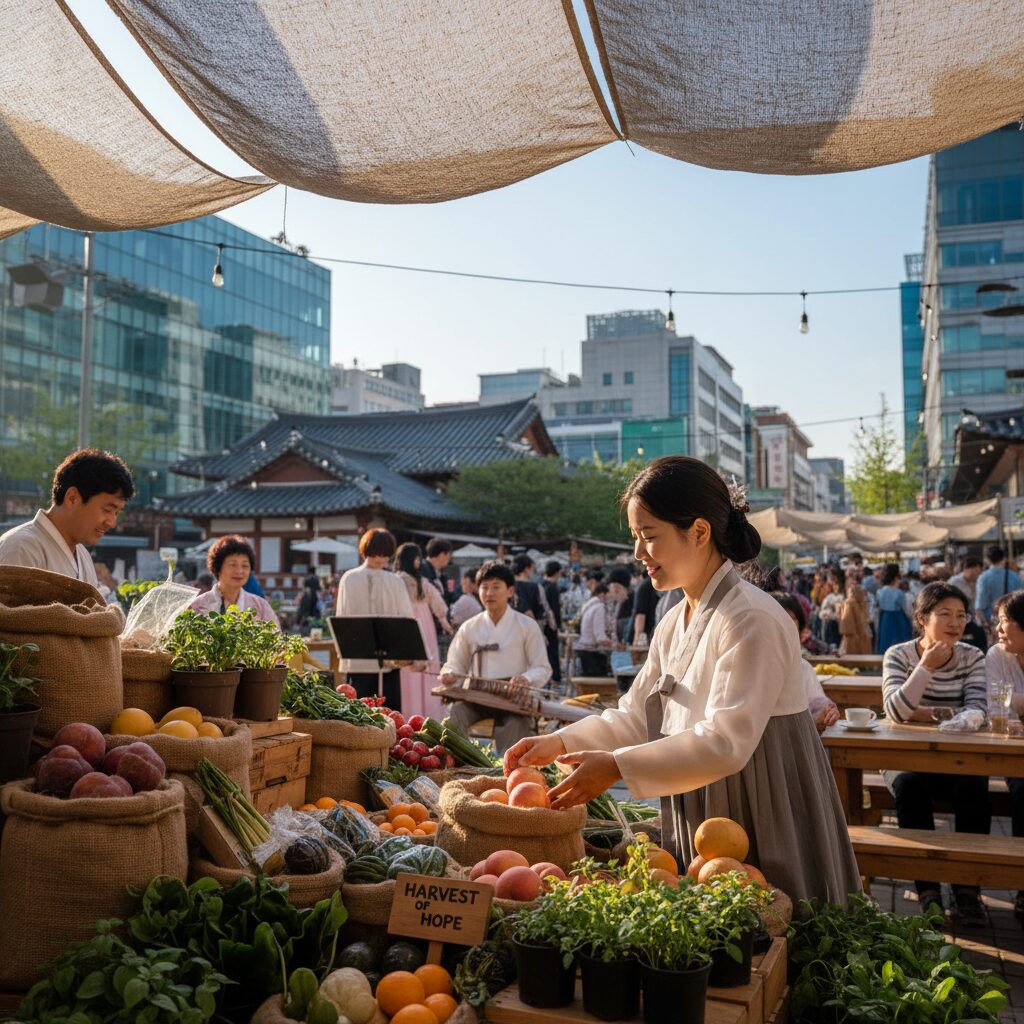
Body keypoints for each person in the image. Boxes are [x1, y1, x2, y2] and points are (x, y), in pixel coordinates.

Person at [505, 456, 861, 908]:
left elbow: (727, 742)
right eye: (636, 538)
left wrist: (617, 766)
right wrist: (557, 744)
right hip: (700, 800)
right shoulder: (676, 619)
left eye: (649, 537)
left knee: (779, 927)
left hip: (763, 799)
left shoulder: (751, 618)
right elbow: (637, 713)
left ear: (698, 531)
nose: (639, 554)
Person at [881, 582, 990, 924]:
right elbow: (896, 711)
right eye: (944, 614)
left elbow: (976, 710)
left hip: (956, 758)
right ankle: (927, 890)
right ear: (921, 619)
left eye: (961, 615)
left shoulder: (973, 657)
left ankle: (967, 890)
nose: (955, 623)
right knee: (909, 786)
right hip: (905, 759)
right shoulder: (898, 655)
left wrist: (928, 713)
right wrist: (925, 667)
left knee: (975, 785)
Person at [439, 560, 551, 752]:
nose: (489, 593)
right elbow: (454, 663)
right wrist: (449, 674)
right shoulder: (469, 627)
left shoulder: (526, 626)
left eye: (496, 587)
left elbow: (542, 667)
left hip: (513, 699)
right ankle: (460, 767)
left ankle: (508, 775)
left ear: (510, 591)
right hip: (476, 696)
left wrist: (526, 678)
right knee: (455, 715)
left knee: (515, 725)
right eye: (484, 587)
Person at [0, 448, 134, 589]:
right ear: (72, 498)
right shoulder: (21, 549)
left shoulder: (83, 556)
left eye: (117, 513)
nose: (112, 523)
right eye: (107, 510)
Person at [335, 528, 415, 710]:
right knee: (358, 712)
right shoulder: (350, 578)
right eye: (376, 553)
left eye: (385, 555)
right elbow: (343, 617)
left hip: (389, 660)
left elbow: (406, 619)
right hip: (358, 659)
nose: (380, 559)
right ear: (366, 550)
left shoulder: (395, 581)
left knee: (390, 713)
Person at [986, 590, 1024, 924]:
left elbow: (1007, 703)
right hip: (1014, 754)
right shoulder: (997, 655)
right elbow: (993, 704)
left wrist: (1015, 704)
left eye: (1005, 621)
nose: (999, 629)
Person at [396, 542, 452, 720]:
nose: (419, 561)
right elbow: (439, 605)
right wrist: (444, 621)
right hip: (424, 625)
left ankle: (409, 713)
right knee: (427, 667)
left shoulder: (397, 579)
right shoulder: (421, 581)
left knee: (408, 674)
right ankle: (429, 713)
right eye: (417, 557)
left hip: (405, 626)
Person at [770, 592, 840, 732]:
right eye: (781, 619)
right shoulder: (757, 668)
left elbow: (817, 703)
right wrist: (813, 722)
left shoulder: (803, 667)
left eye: (792, 620)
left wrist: (828, 711)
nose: (787, 626)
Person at [189, 535, 280, 625]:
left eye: (245, 566)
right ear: (217, 568)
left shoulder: (261, 606)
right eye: (233, 565)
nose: (239, 571)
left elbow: (277, 637)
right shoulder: (198, 606)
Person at [976, 546, 1023, 635]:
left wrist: (986, 626)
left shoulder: (983, 577)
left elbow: (980, 607)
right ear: (1003, 559)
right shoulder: (1015, 576)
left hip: (993, 624)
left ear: (987, 560)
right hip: (1014, 622)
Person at [574, 581, 613, 676]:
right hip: (592, 654)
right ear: (602, 594)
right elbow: (600, 636)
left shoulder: (589, 605)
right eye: (609, 594)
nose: (610, 597)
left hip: (584, 651)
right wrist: (615, 645)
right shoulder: (599, 607)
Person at [876, 563, 913, 654]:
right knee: (900, 642)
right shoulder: (899, 592)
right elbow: (905, 608)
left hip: (885, 617)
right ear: (896, 576)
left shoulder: (880, 591)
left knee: (886, 639)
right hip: (898, 617)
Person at [542, 561, 563, 684]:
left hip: (543, 625)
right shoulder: (552, 587)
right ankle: (555, 677)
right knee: (553, 651)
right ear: (557, 572)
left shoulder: (542, 585)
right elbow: (555, 609)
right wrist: (558, 625)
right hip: (551, 626)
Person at [839, 574, 872, 655]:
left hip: (852, 637)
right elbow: (867, 618)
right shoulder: (863, 601)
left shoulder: (849, 602)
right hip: (864, 635)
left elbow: (846, 622)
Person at [420, 538, 455, 606]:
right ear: (442, 555)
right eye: (449, 555)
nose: (450, 559)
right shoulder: (423, 569)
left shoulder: (441, 575)